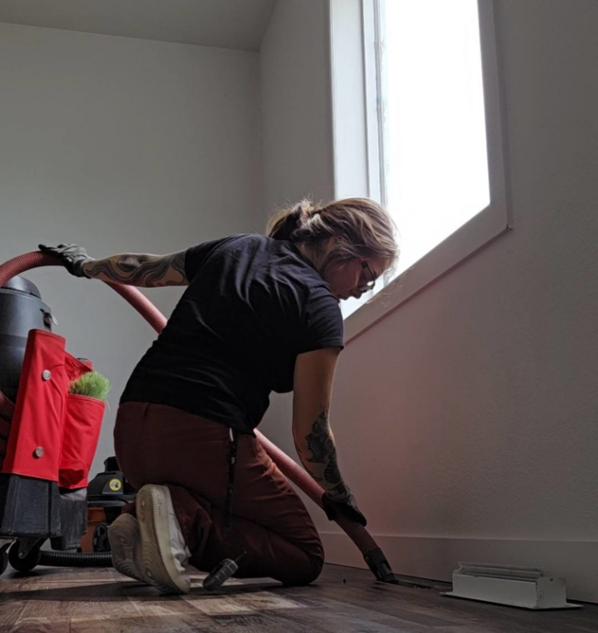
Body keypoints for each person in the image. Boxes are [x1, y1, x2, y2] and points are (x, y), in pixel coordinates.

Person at [40, 197, 398, 593]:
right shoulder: (320, 305)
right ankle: (178, 517)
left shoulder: (239, 247)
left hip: (134, 431)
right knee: (304, 552)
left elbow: (145, 267)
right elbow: (310, 433)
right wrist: (339, 494)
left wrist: (85, 265)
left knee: (234, 514)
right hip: (202, 437)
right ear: (336, 243)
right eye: (368, 273)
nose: (366, 289)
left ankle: (145, 521)